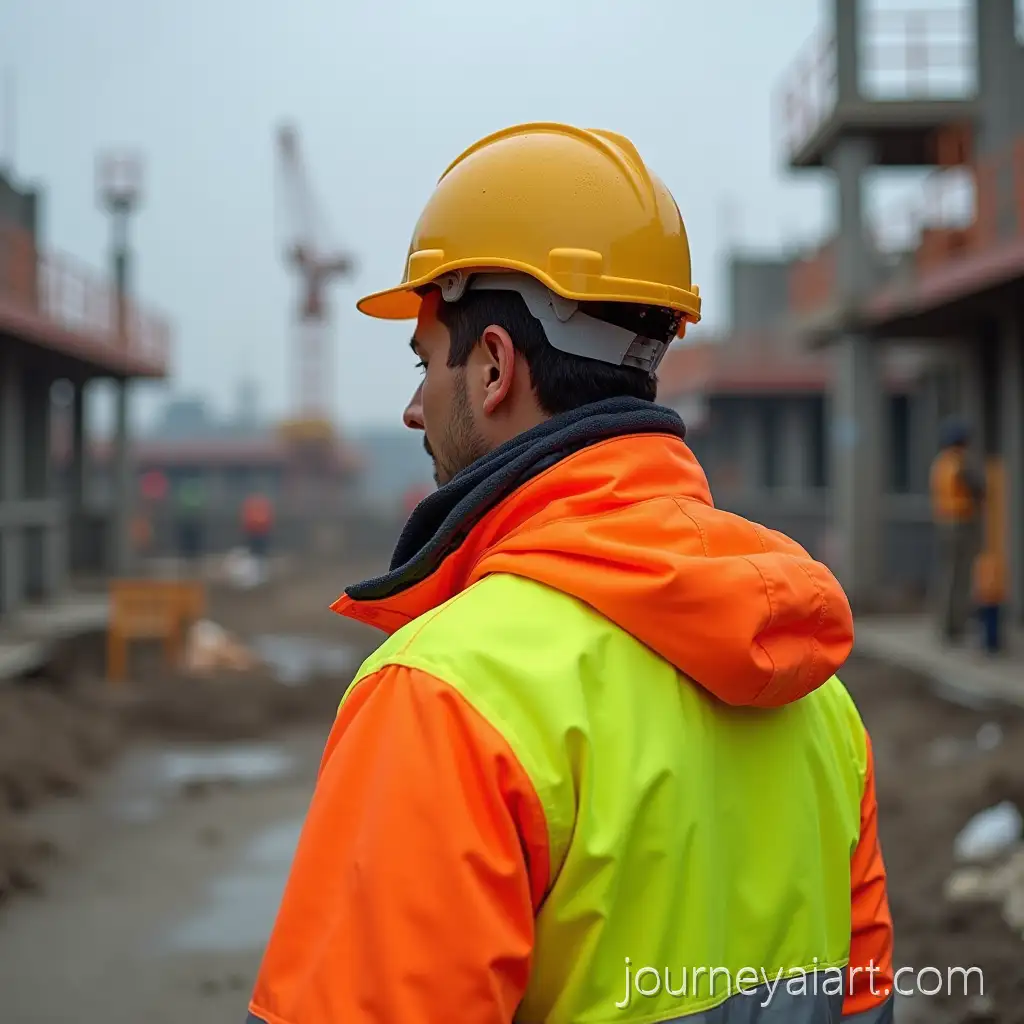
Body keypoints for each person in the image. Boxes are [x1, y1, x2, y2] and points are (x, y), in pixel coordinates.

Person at [247, 123, 894, 1024]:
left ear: (496, 367)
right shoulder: (818, 697)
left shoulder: (445, 699)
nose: (410, 407)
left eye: (425, 361)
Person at [929, 417, 985, 643]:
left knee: (948, 573)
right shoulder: (959, 463)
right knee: (959, 575)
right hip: (960, 522)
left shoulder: (940, 462)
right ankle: (954, 626)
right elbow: (979, 488)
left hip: (944, 521)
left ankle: (946, 623)